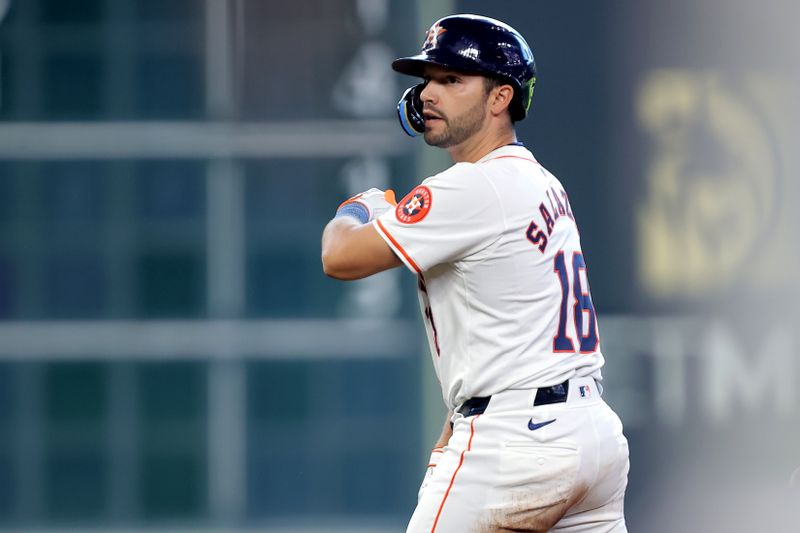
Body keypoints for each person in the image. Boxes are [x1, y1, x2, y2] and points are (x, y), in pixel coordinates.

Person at [321, 14, 629, 533]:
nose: (428, 95)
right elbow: (510, 324)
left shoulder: (470, 187)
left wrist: (357, 208)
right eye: (427, 80)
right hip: (590, 435)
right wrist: (458, 419)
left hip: (515, 446)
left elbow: (340, 257)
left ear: (500, 98)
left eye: (452, 80)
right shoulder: (543, 183)